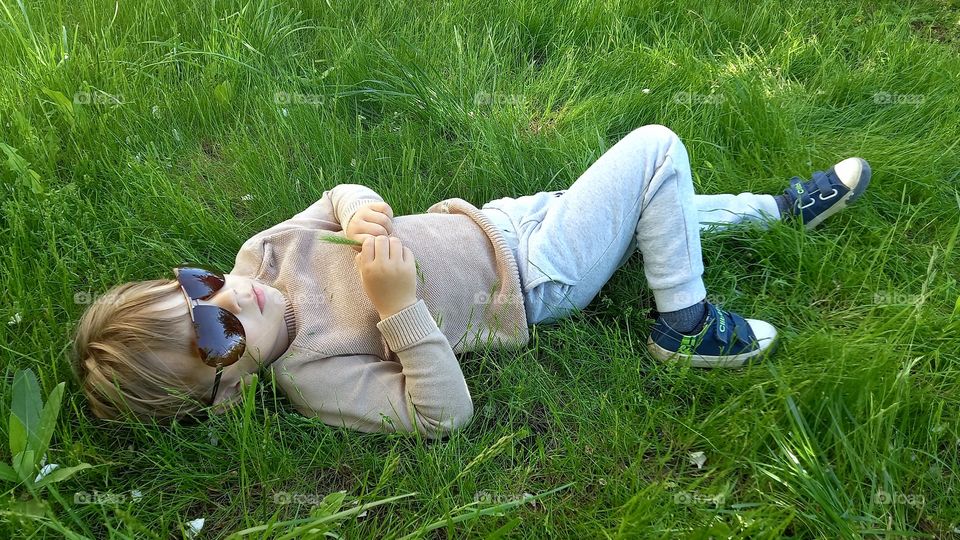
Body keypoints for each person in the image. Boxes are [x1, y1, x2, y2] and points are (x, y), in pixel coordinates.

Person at [71, 124, 870, 439]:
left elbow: (333, 197)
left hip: (498, 220)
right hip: (535, 277)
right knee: (655, 151)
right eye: (216, 333)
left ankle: (774, 211)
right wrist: (398, 309)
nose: (226, 298)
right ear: (227, 393)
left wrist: (364, 209)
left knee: (653, 206)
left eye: (195, 283)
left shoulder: (261, 257)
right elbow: (442, 417)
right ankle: (684, 325)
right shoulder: (315, 377)